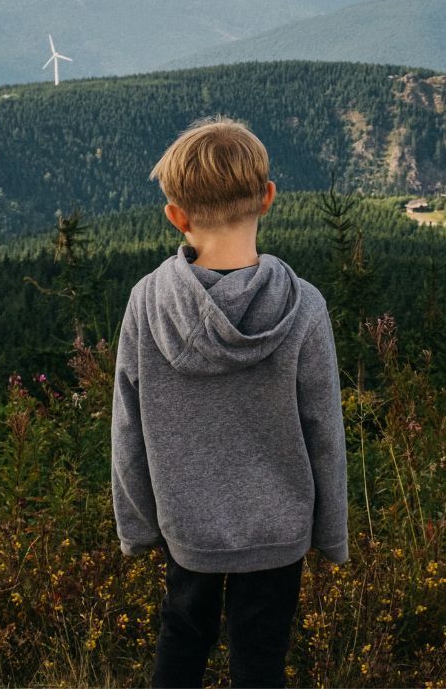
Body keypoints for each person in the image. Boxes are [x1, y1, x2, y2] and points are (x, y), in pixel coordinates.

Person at [111, 115, 349, 689]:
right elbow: (325, 430)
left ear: (176, 215)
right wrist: (331, 532)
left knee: (182, 637)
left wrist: (139, 527)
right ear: (267, 198)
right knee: (261, 657)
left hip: (187, 528)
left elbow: (128, 428)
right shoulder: (304, 308)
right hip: (279, 528)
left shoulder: (147, 303)